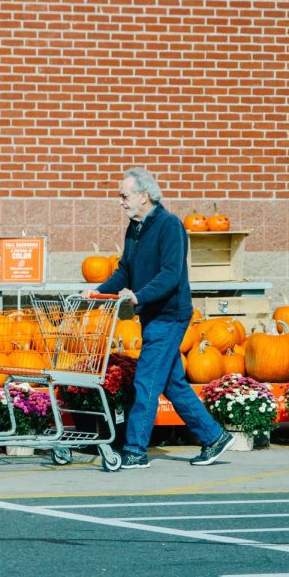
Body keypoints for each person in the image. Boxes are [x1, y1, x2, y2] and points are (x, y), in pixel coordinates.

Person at [88, 167, 233, 469]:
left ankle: (135, 450)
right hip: (152, 316)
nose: (120, 202)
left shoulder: (170, 226)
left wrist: (138, 296)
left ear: (144, 196)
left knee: (146, 381)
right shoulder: (135, 229)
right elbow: (125, 271)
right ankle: (214, 436)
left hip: (170, 316)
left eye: (124, 196)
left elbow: (171, 274)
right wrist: (96, 293)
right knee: (171, 383)